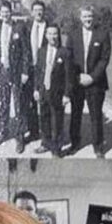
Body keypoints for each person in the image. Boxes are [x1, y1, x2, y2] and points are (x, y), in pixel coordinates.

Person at [66, 4, 112, 158]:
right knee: (75, 115)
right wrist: (77, 77)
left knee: (96, 116)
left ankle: (98, 147)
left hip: (96, 83)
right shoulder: (73, 34)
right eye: (85, 16)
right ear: (80, 18)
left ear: (94, 17)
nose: (88, 19)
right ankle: (75, 144)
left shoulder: (103, 34)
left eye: (90, 16)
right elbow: (69, 58)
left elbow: (104, 59)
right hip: (77, 82)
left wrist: (92, 77)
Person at [0, 1, 30, 153]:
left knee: (18, 104)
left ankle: (19, 136)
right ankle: (4, 131)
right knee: (4, 102)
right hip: (3, 70)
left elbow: (26, 51)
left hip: (16, 72)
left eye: (7, 12)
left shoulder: (19, 28)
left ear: (11, 12)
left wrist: (25, 72)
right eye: (2, 12)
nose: (5, 14)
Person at [33, 22, 71, 157]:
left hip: (57, 93)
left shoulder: (64, 52)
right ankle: (45, 143)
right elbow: (38, 71)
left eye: (55, 33)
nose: (52, 36)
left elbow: (68, 76)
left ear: (58, 35)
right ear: (46, 35)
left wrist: (66, 94)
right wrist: (36, 89)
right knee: (44, 118)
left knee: (57, 121)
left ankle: (56, 148)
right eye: (49, 33)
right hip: (43, 90)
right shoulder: (41, 51)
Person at [24, 0, 49, 150]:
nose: (38, 12)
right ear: (32, 12)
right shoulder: (26, 27)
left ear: (44, 11)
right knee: (30, 102)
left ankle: (46, 138)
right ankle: (33, 131)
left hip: (44, 71)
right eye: (36, 10)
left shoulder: (50, 27)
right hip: (29, 69)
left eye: (41, 10)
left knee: (44, 102)